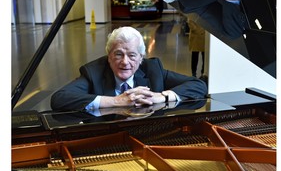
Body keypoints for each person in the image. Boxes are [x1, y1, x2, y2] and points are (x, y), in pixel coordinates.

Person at [50, 26, 208, 114]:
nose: (125, 62)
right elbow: (59, 99)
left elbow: (198, 85)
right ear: (109, 56)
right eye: (118, 54)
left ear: (141, 58)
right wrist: (115, 101)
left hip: (148, 138)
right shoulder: (93, 72)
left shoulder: (153, 70)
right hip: (106, 139)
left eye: (132, 55)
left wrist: (161, 96)